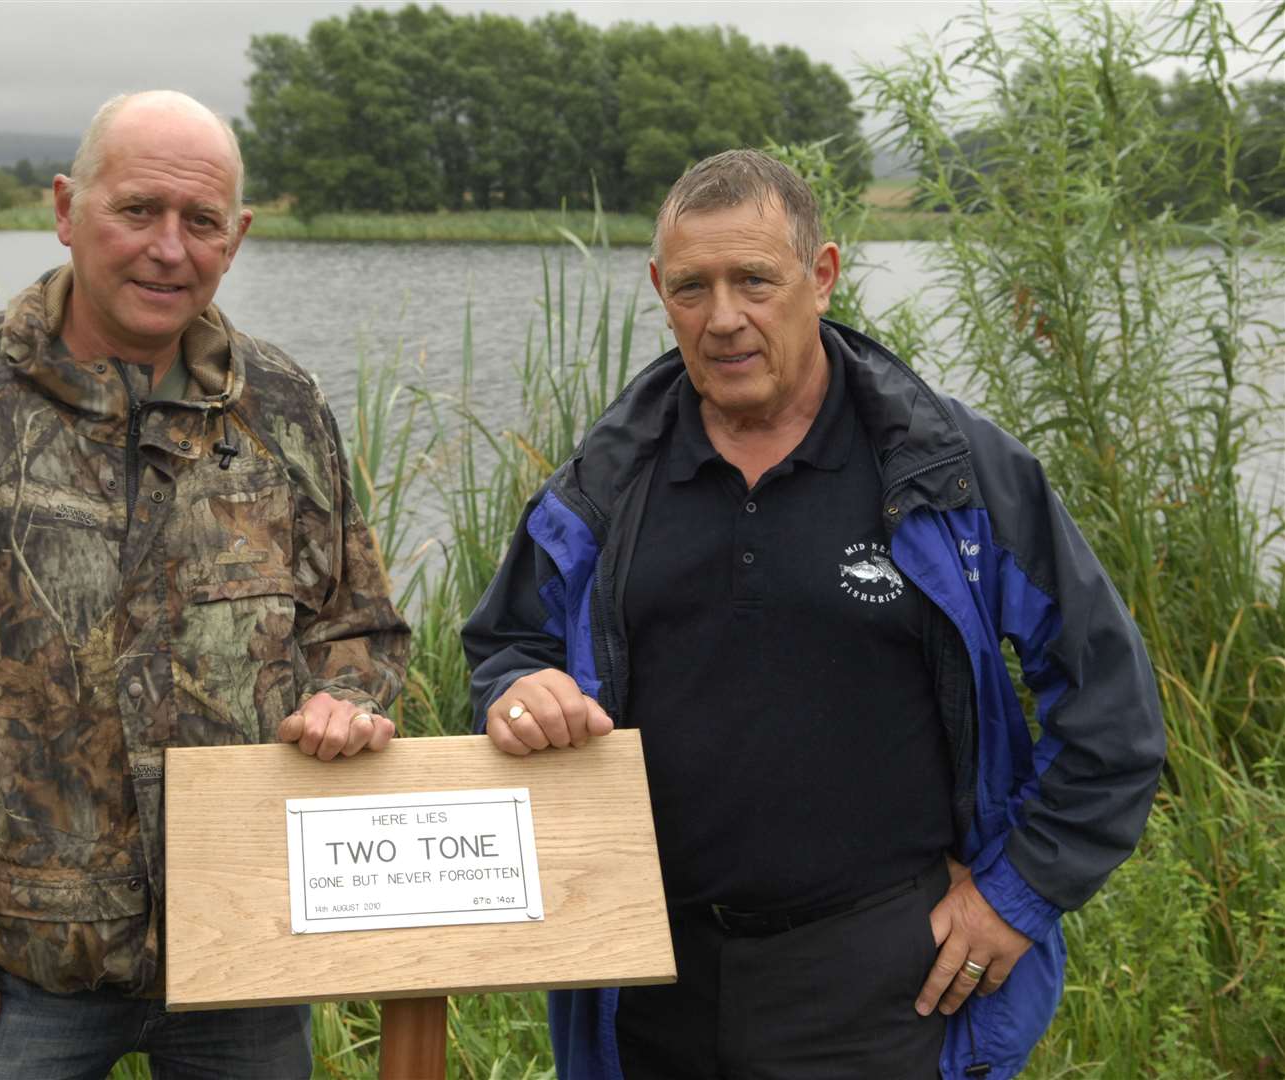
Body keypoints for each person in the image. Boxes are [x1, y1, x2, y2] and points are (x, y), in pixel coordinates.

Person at [462, 149, 1164, 1079]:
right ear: (658, 291)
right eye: (691, 288)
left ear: (822, 275)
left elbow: (1112, 705)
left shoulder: (954, 474)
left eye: (755, 279)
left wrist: (1018, 894)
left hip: (879, 977)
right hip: (649, 977)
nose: (722, 319)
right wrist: (520, 690)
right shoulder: (604, 481)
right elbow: (505, 645)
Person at [0, 90, 409, 1079]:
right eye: (138, 210)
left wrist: (346, 699)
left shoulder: (284, 405)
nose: (168, 249)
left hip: (243, 958)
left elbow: (361, 624)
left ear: (238, 236)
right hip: (18, 973)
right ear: (65, 208)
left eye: (201, 222)